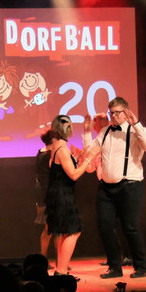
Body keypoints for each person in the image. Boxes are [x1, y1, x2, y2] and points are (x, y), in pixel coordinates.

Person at [83, 97, 146, 279]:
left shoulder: (135, 131)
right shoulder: (105, 131)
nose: (114, 116)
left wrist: (136, 124)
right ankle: (115, 267)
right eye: (111, 113)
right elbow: (90, 152)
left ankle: (140, 267)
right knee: (105, 226)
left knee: (130, 227)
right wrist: (86, 133)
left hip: (130, 185)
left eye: (117, 112)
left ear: (126, 112)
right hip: (106, 188)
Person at [44, 115, 99, 278]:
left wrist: (79, 157)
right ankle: (61, 271)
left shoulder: (58, 145)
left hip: (59, 194)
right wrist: (89, 158)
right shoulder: (61, 147)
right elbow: (73, 175)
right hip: (62, 196)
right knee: (74, 232)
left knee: (67, 232)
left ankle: (61, 270)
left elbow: (62, 167)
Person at [34, 131, 53, 259]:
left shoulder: (40, 152)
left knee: (48, 229)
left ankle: (44, 258)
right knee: (54, 229)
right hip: (49, 194)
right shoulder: (50, 155)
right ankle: (60, 261)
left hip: (41, 193)